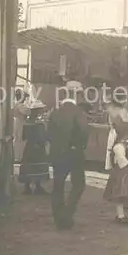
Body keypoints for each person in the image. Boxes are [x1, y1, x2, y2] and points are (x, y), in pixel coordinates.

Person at [48, 80, 90, 230]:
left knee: (58, 185)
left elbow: (49, 134)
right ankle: (66, 214)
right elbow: (84, 133)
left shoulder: (55, 112)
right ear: (77, 95)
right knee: (79, 184)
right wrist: (78, 146)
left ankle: (58, 217)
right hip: (74, 153)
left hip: (57, 153)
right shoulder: (79, 113)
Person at [103, 121, 128, 225]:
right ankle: (120, 215)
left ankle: (122, 215)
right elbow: (121, 161)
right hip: (121, 173)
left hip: (127, 172)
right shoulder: (118, 146)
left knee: (124, 194)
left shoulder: (127, 143)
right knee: (119, 194)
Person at [18, 100, 50, 195]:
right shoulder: (39, 124)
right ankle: (38, 186)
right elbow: (43, 136)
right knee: (38, 166)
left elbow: (24, 137)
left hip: (29, 147)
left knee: (29, 166)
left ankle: (27, 187)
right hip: (38, 147)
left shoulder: (26, 123)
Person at [104, 95, 128, 172]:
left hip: (118, 132)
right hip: (116, 132)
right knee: (114, 149)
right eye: (124, 101)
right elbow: (120, 124)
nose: (125, 102)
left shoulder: (123, 110)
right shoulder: (116, 111)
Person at [13, 88, 30, 163]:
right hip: (20, 123)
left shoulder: (17, 104)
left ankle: (17, 156)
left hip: (17, 122)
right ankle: (18, 157)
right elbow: (28, 112)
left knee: (17, 140)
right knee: (20, 140)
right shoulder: (21, 106)